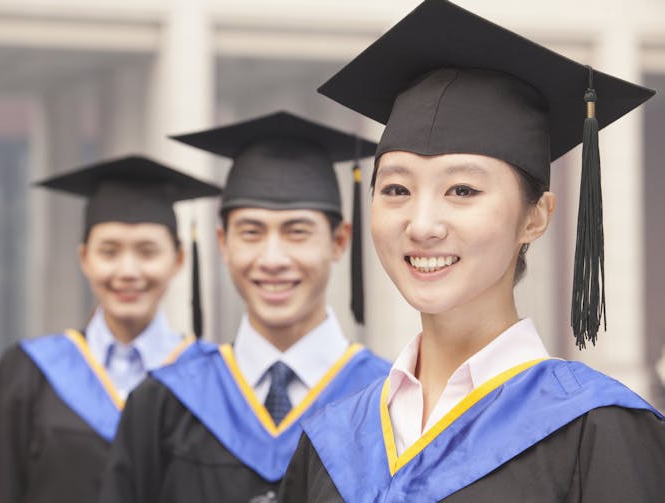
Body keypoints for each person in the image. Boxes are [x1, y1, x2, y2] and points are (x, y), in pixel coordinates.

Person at [279, 1, 665, 501]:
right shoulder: (332, 437)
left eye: (462, 190)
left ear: (536, 216)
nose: (422, 225)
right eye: (396, 190)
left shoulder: (596, 429)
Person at [98, 111, 390, 503]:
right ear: (222, 242)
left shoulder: (389, 400)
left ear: (339, 241)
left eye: (296, 232)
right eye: (251, 232)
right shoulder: (163, 403)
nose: (272, 259)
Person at [0, 155, 220, 503]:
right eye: (109, 251)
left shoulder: (211, 381)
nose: (128, 271)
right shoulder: (29, 374)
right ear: (84, 258)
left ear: (178, 259)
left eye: (147, 251)